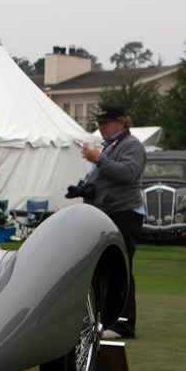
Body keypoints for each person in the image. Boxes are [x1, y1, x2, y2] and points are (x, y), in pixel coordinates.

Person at [68, 103, 146, 339]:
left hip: (123, 213)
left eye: (106, 123)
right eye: (99, 123)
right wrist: (85, 189)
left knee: (121, 268)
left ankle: (123, 324)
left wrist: (98, 159)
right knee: (106, 269)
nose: (101, 127)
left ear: (122, 123)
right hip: (109, 213)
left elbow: (128, 174)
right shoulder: (113, 146)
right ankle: (108, 319)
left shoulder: (132, 145)